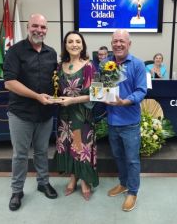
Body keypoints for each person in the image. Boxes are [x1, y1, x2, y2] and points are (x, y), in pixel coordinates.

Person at [3, 13, 58, 211]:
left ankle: (43, 183)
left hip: (45, 114)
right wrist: (37, 96)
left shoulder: (51, 53)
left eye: (43, 27)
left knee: (42, 151)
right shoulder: (15, 51)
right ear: (28, 27)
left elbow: (55, 81)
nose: (39, 30)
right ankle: (17, 190)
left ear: (46, 30)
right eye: (35, 26)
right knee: (20, 154)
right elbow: (9, 82)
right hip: (21, 114)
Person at [106, 29, 147, 212]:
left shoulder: (137, 64)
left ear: (129, 44)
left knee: (132, 160)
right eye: (115, 41)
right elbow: (102, 88)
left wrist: (124, 101)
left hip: (129, 122)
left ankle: (133, 191)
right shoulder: (106, 64)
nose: (118, 44)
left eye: (122, 41)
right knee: (118, 157)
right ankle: (123, 183)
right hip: (112, 121)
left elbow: (141, 91)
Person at [55, 30, 98, 201]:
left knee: (79, 148)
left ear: (83, 45)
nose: (74, 44)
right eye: (70, 41)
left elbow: (98, 94)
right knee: (67, 147)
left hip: (81, 117)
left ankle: (85, 182)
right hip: (64, 117)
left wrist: (72, 101)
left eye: (78, 41)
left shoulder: (90, 66)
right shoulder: (59, 67)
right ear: (65, 45)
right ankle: (73, 178)